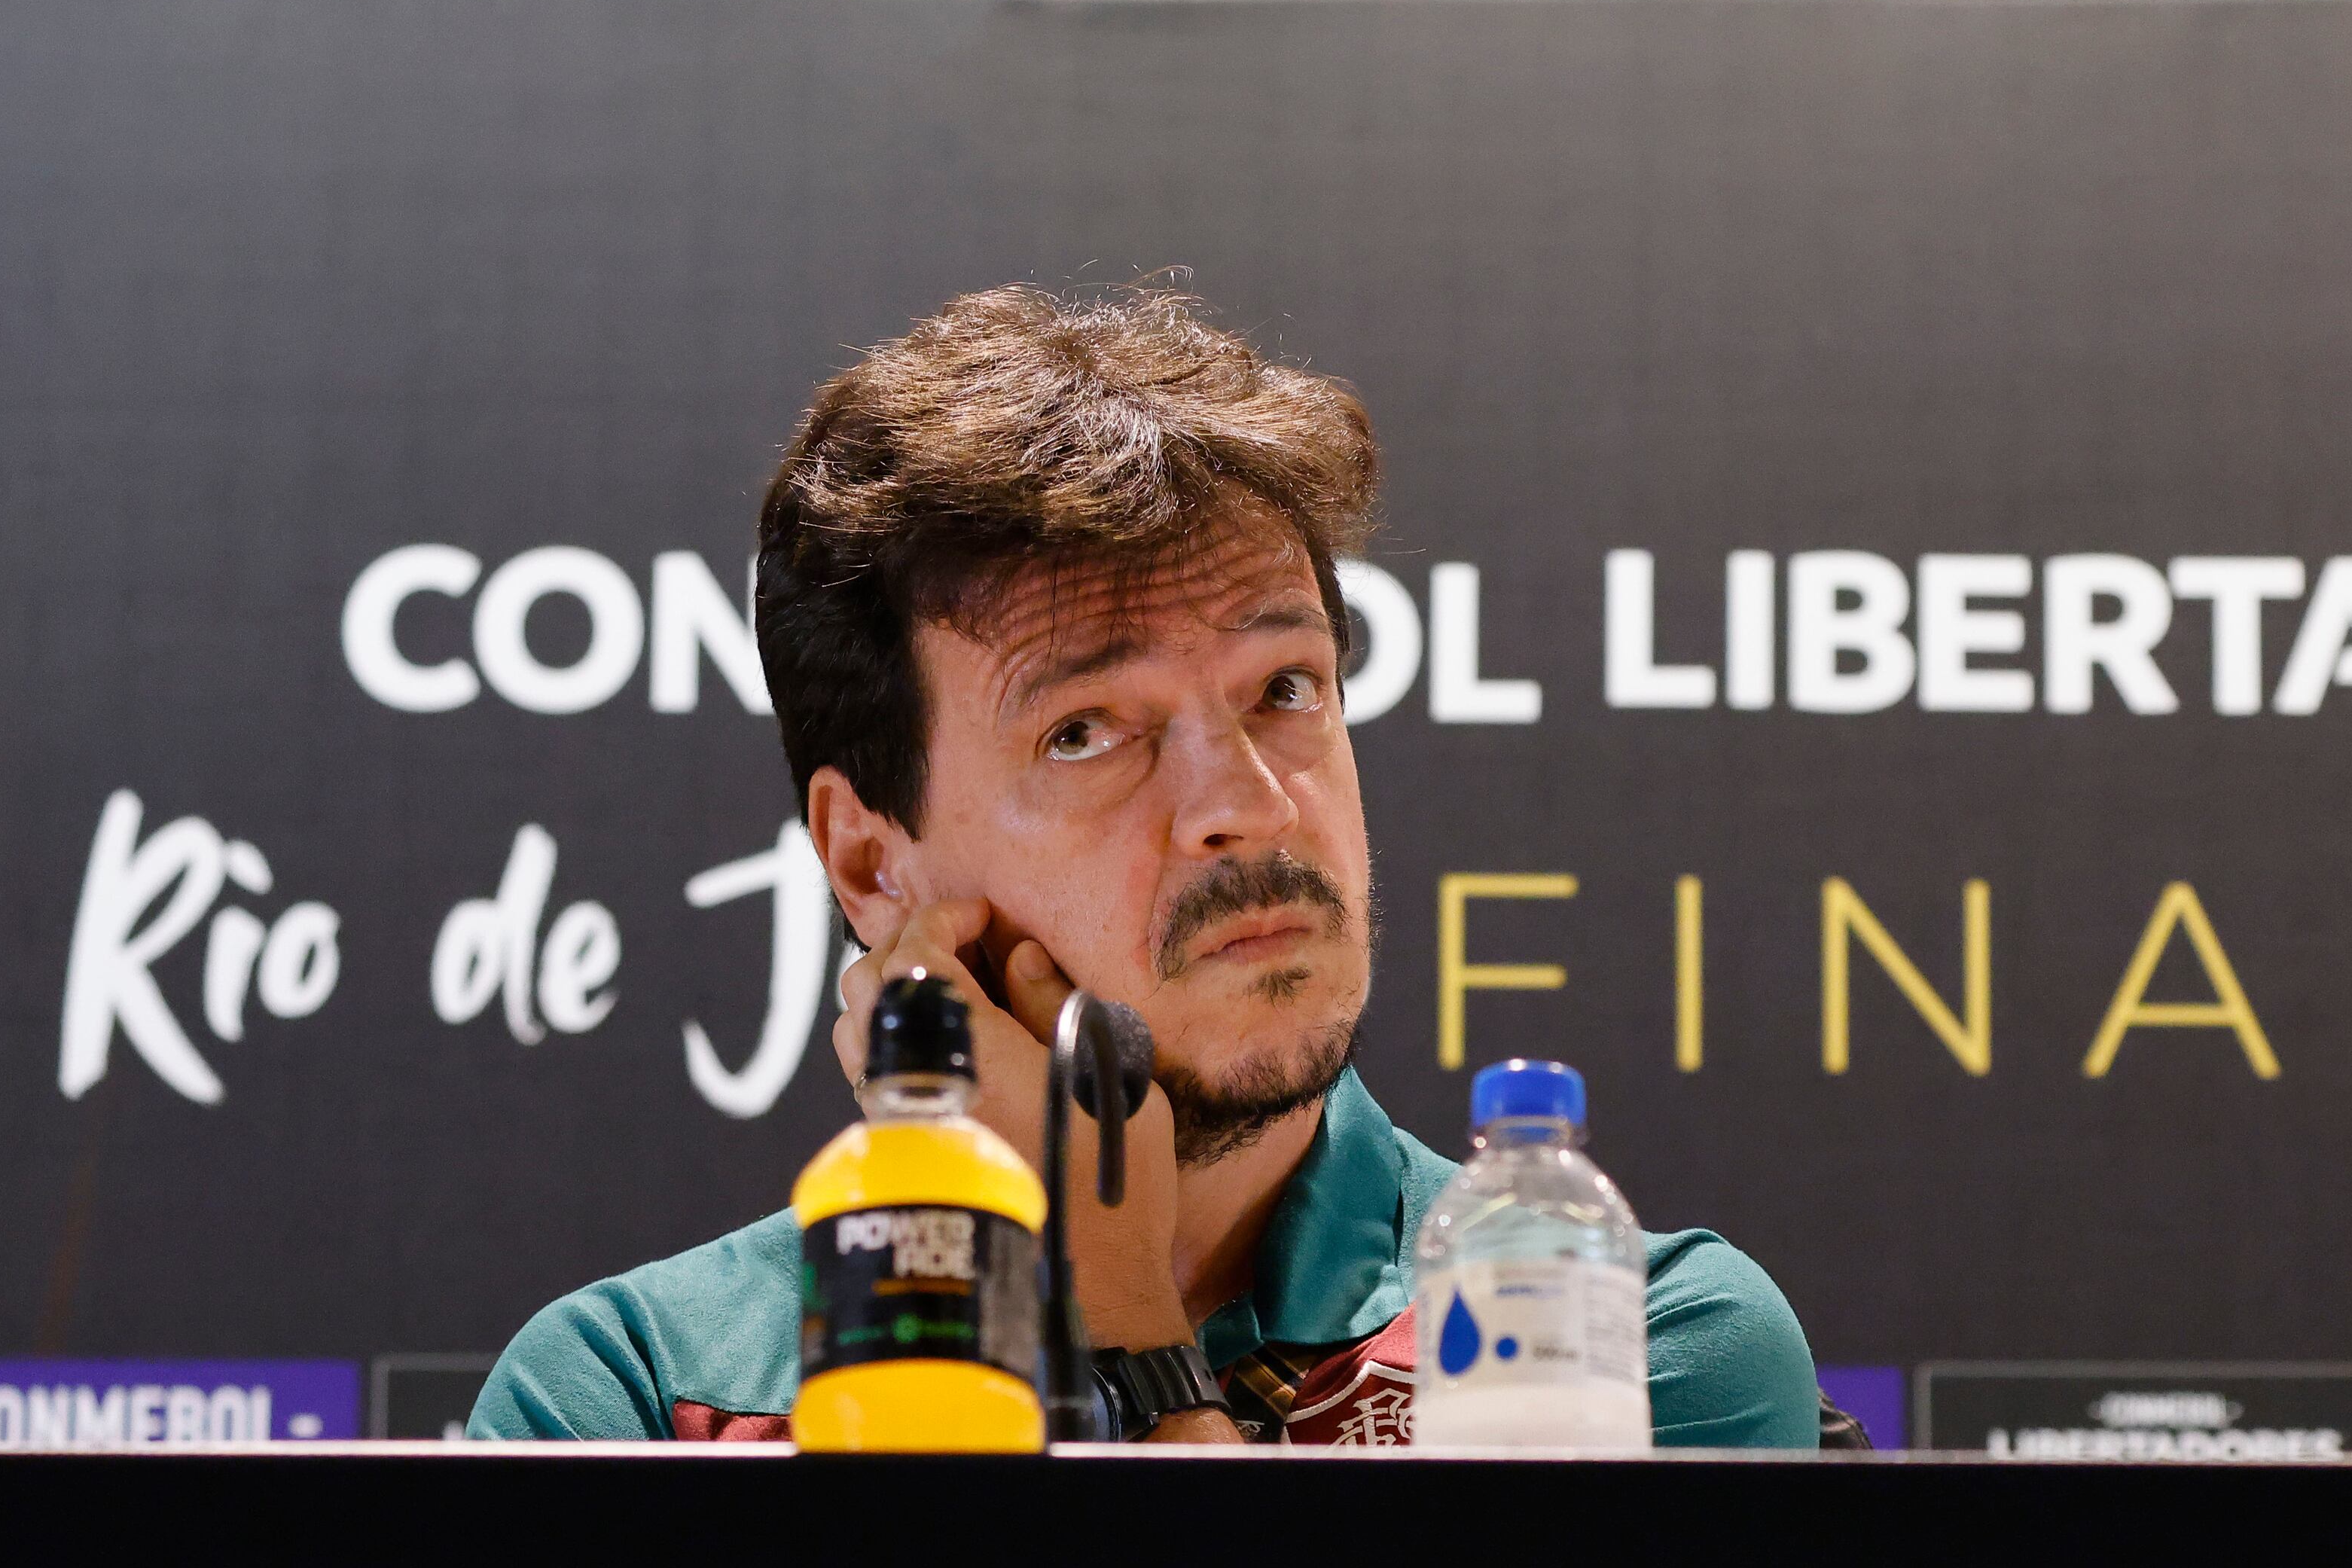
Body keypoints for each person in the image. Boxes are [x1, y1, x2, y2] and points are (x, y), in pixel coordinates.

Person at [471, 285, 1817, 1448]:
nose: (1248, 806)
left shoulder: (1622, 1334)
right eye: (1086, 731)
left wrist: (1130, 1323)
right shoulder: (642, 1391)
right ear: (873, 864)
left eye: (1285, 687)